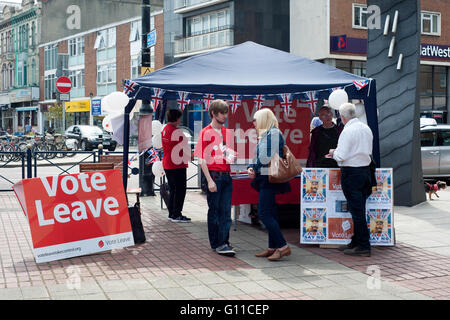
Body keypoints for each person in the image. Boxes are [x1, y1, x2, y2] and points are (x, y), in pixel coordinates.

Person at [327, 103, 373, 257]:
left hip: (352, 173)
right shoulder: (366, 128)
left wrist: (333, 153)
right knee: (358, 209)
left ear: (343, 117)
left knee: (357, 211)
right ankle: (357, 240)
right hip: (365, 171)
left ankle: (363, 245)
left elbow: (341, 156)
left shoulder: (347, 131)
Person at [248, 108, 292, 261]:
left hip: (269, 178)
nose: (253, 122)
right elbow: (257, 156)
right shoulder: (267, 134)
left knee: (264, 213)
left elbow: (265, 157)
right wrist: (251, 166)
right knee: (270, 213)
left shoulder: (273, 134)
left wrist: (254, 167)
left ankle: (282, 246)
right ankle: (273, 247)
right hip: (265, 177)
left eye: (256, 119)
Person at [194, 100, 236, 257]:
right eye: (222, 113)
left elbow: (231, 156)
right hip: (214, 175)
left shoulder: (227, 133)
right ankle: (218, 243)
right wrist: (209, 180)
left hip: (226, 175)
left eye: (226, 113)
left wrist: (230, 155)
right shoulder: (205, 132)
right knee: (215, 211)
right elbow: (200, 157)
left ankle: (223, 241)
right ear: (213, 113)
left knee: (226, 212)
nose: (224, 116)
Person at [161, 109, 191, 223]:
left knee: (173, 189)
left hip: (168, 162)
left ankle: (172, 213)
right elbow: (185, 147)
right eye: (179, 117)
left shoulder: (165, 130)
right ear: (176, 118)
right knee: (180, 190)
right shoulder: (176, 131)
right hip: (177, 164)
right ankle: (177, 214)